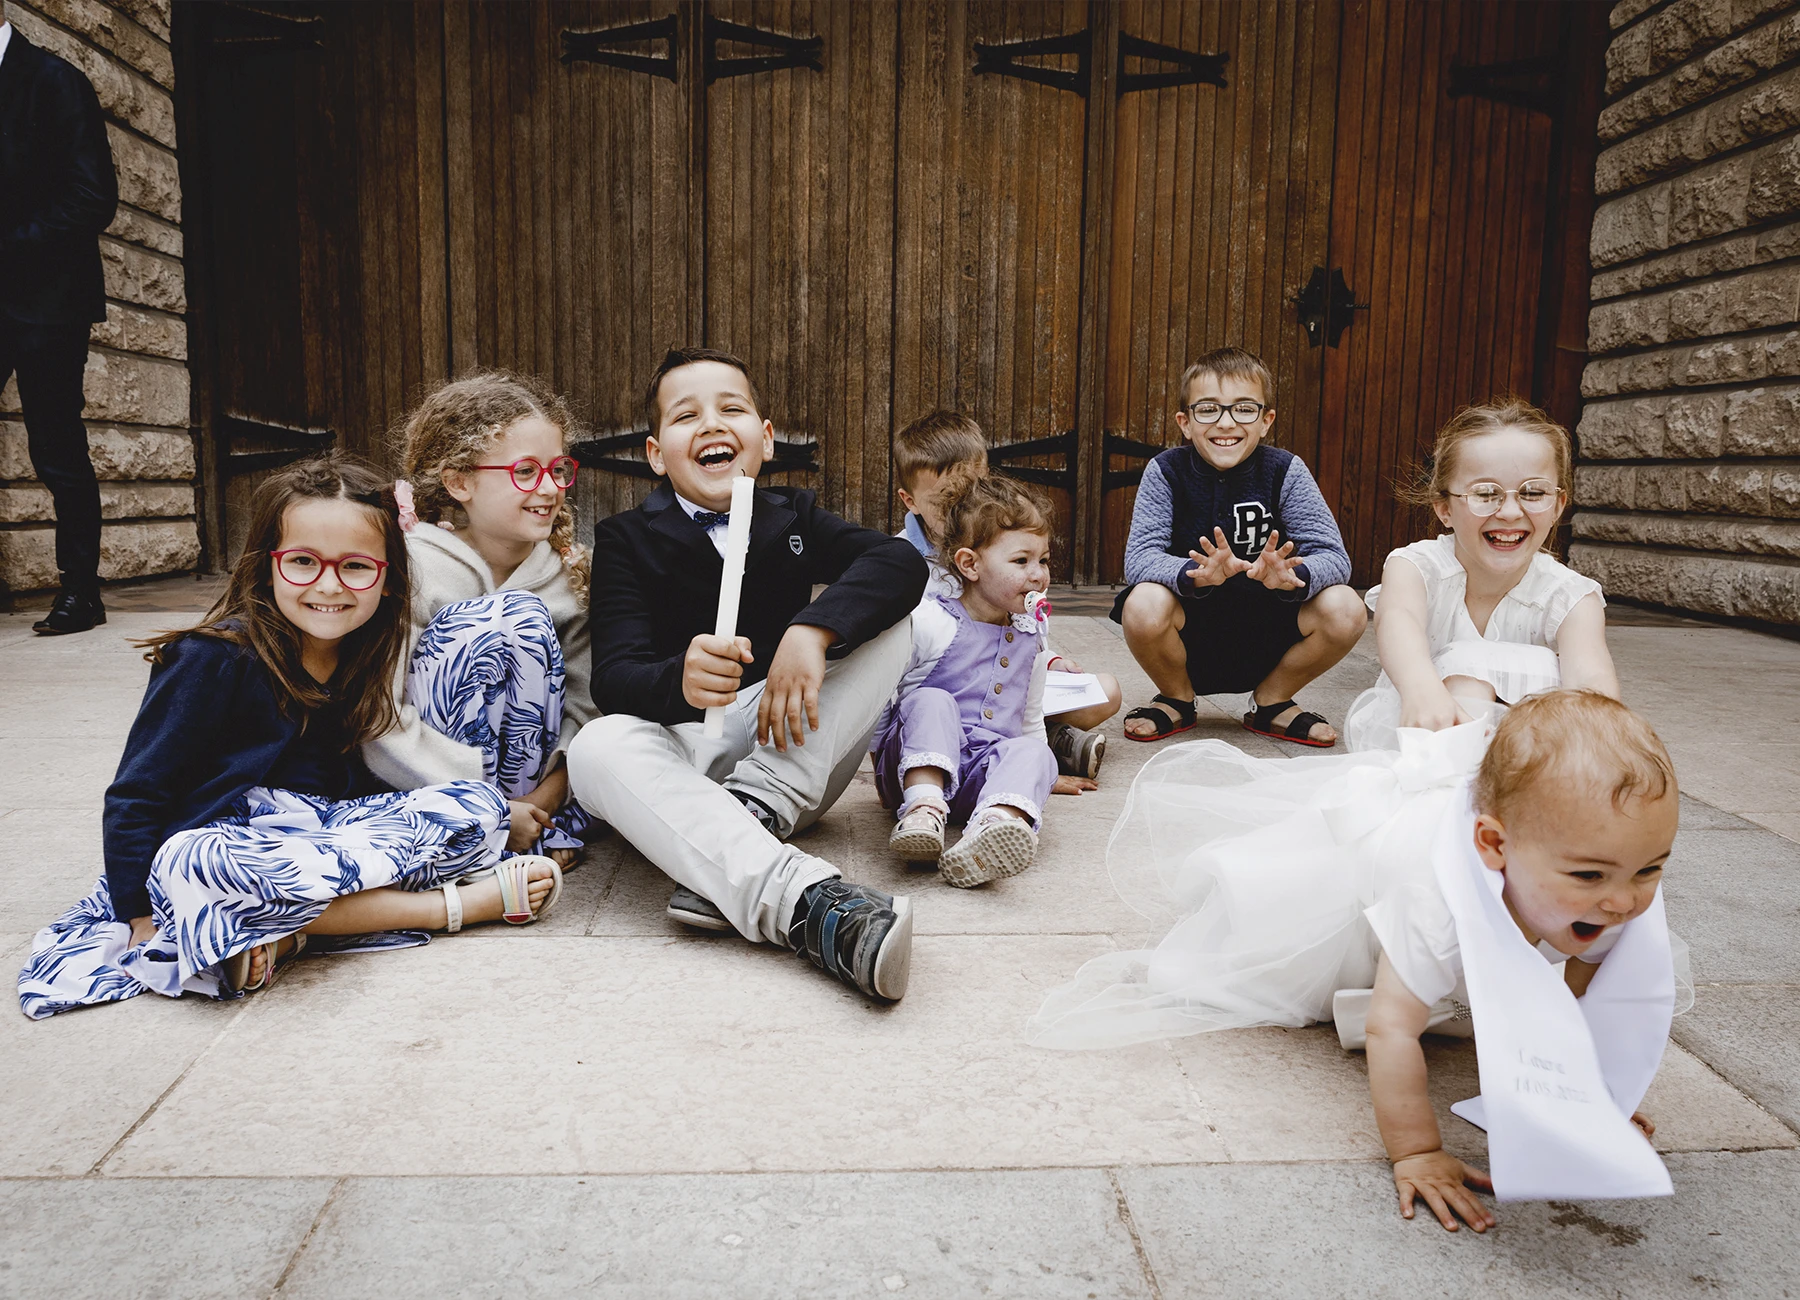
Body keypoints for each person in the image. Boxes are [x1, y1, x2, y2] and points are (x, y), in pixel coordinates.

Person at [1030, 691, 1686, 1230]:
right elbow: (1390, 1026)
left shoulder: (1612, 895)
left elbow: (1587, 997)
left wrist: (1589, 1095)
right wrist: (1418, 1150)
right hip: (1371, 870)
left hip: (1479, 856)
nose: (1625, 900)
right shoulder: (1434, 898)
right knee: (1310, 966)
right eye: (1592, 875)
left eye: (1650, 868)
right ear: (1493, 846)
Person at [18, 455, 563, 1019]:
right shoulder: (211, 658)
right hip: (235, 842)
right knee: (191, 860)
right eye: (303, 562)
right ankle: (447, 907)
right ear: (266, 565)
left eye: (356, 567)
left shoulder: (367, 653)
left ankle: (279, 936)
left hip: (330, 839)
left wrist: (482, 814)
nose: (329, 586)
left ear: (388, 576)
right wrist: (138, 918)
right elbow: (137, 793)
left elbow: (358, 788)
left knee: (473, 804)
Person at [566, 347, 927, 1002]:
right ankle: (809, 905)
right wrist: (679, 677)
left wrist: (811, 630)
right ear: (655, 453)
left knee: (899, 622)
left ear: (763, 440)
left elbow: (899, 564)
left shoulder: (793, 513)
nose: (710, 424)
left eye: (730, 408)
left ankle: (756, 811)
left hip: (787, 752)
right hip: (686, 751)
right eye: (686, 415)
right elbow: (614, 677)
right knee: (595, 748)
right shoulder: (625, 537)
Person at [363, 371, 595, 870]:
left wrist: (549, 797)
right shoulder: (410, 571)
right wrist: (487, 808)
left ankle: (538, 825)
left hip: (538, 791)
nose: (550, 488)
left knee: (524, 619)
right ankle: (481, 836)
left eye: (558, 469)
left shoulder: (565, 576)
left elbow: (586, 704)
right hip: (433, 784)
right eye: (527, 471)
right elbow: (380, 714)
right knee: (503, 621)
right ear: (458, 481)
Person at [1113, 346, 1365, 746]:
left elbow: (1334, 557)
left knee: (1347, 608)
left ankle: (1272, 702)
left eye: (1244, 409)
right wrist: (1192, 575)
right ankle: (1176, 698)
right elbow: (1140, 557)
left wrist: (1293, 576)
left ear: (1266, 421)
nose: (1226, 422)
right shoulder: (1166, 470)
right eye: (1208, 409)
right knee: (1141, 603)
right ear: (1185, 422)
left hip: (1271, 625)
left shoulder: (1285, 470)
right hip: (1190, 626)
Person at [1344, 399, 1616, 752]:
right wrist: (1422, 688)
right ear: (1444, 509)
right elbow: (1398, 622)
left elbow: (1592, 682)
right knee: (1466, 666)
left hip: (1533, 753)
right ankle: (1454, 785)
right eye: (1485, 494)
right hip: (1430, 731)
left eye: (1533, 493)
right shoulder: (1417, 568)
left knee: (1577, 699)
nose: (1510, 512)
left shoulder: (1571, 597)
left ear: (1558, 507)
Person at [892, 409, 1122, 782]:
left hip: (1004, 693)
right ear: (910, 501)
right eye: (946, 502)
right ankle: (1048, 746)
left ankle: (1042, 743)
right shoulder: (901, 564)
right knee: (934, 711)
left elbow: (1022, 631)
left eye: (973, 493)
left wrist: (1049, 660)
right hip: (945, 702)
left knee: (1106, 691)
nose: (964, 511)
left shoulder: (1006, 549)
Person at [874, 470, 1059, 886]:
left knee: (1035, 753)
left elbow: (1030, 719)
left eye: (1043, 560)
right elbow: (886, 695)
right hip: (913, 763)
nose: (1038, 574)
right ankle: (923, 812)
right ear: (970, 564)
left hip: (979, 773)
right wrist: (879, 766)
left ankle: (991, 829)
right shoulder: (932, 621)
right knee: (930, 700)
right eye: (1021, 561)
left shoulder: (1033, 635)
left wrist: (1037, 779)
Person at [0, 14, 118, 634]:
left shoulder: (55, 80)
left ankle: (81, 593)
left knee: (56, 450)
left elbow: (93, 196)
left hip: (48, 302)